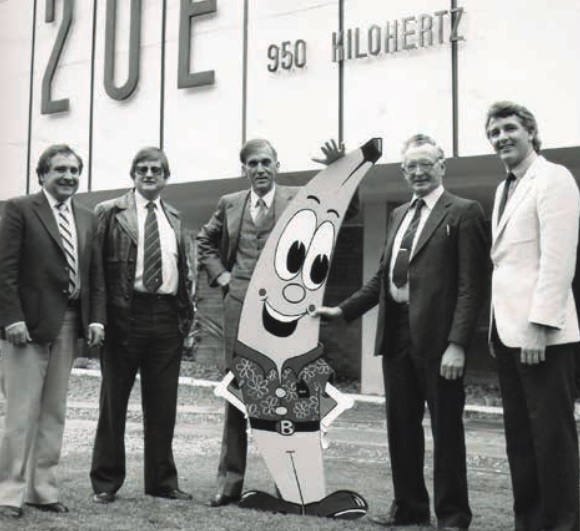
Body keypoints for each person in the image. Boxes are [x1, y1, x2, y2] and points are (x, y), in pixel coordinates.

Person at [314, 134, 489, 530]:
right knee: (401, 430)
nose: (418, 172)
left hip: (440, 343)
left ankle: (453, 516)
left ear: (442, 166)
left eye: (426, 164)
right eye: (410, 166)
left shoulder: (464, 212)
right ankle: (409, 509)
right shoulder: (398, 215)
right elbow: (381, 279)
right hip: (396, 338)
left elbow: (471, 286)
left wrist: (457, 344)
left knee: (446, 433)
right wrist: (343, 310)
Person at [197, 138, 353, 507]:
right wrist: (221, 276)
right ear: (244, 169)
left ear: (277, 165)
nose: (260, 168)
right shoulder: (230, 204)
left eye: (266, 162)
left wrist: (339, 170)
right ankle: (229, 483)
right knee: (238, 397)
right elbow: (204, 241)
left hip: (285, 315)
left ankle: (290, 486)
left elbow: (346, 207)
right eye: (253, 163)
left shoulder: (299, 197)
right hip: (239, 309)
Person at [485, 101, 580, 531]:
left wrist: (541, 326)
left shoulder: (553, 177)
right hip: (508, 336)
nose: (501, 137)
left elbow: (558, 261)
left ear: (530, 131)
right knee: (521, 443)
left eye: (508, 128)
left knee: (552, 443)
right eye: (493, 132)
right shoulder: (504, 188)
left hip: (542, 337)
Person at [0, 144, 105, 520]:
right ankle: (8, 493)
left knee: (54, 412)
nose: (69, 176)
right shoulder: (18, 209)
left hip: (69, 323)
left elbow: (94, 274)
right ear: (41, 174)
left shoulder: (88, 217)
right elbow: (4, 270)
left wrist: (95, 319)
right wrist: (11, 319)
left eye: (75, 170)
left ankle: (42, 490)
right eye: (60, 169)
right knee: (20, 413)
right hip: (25, 328)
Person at [89, 147, 194, 503]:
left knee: (164, 405)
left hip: (167, 318)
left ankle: (162, 482)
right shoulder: (110, 212)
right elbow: (97, 272)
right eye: (143, 169)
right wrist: (98, 318)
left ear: (166, 176)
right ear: (132, 174)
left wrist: (185, 319)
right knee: (113, 402)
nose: (149, 175)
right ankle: (105, 483)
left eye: (157, 170)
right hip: (123, 318)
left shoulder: (174, 217)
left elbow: (184, 271)